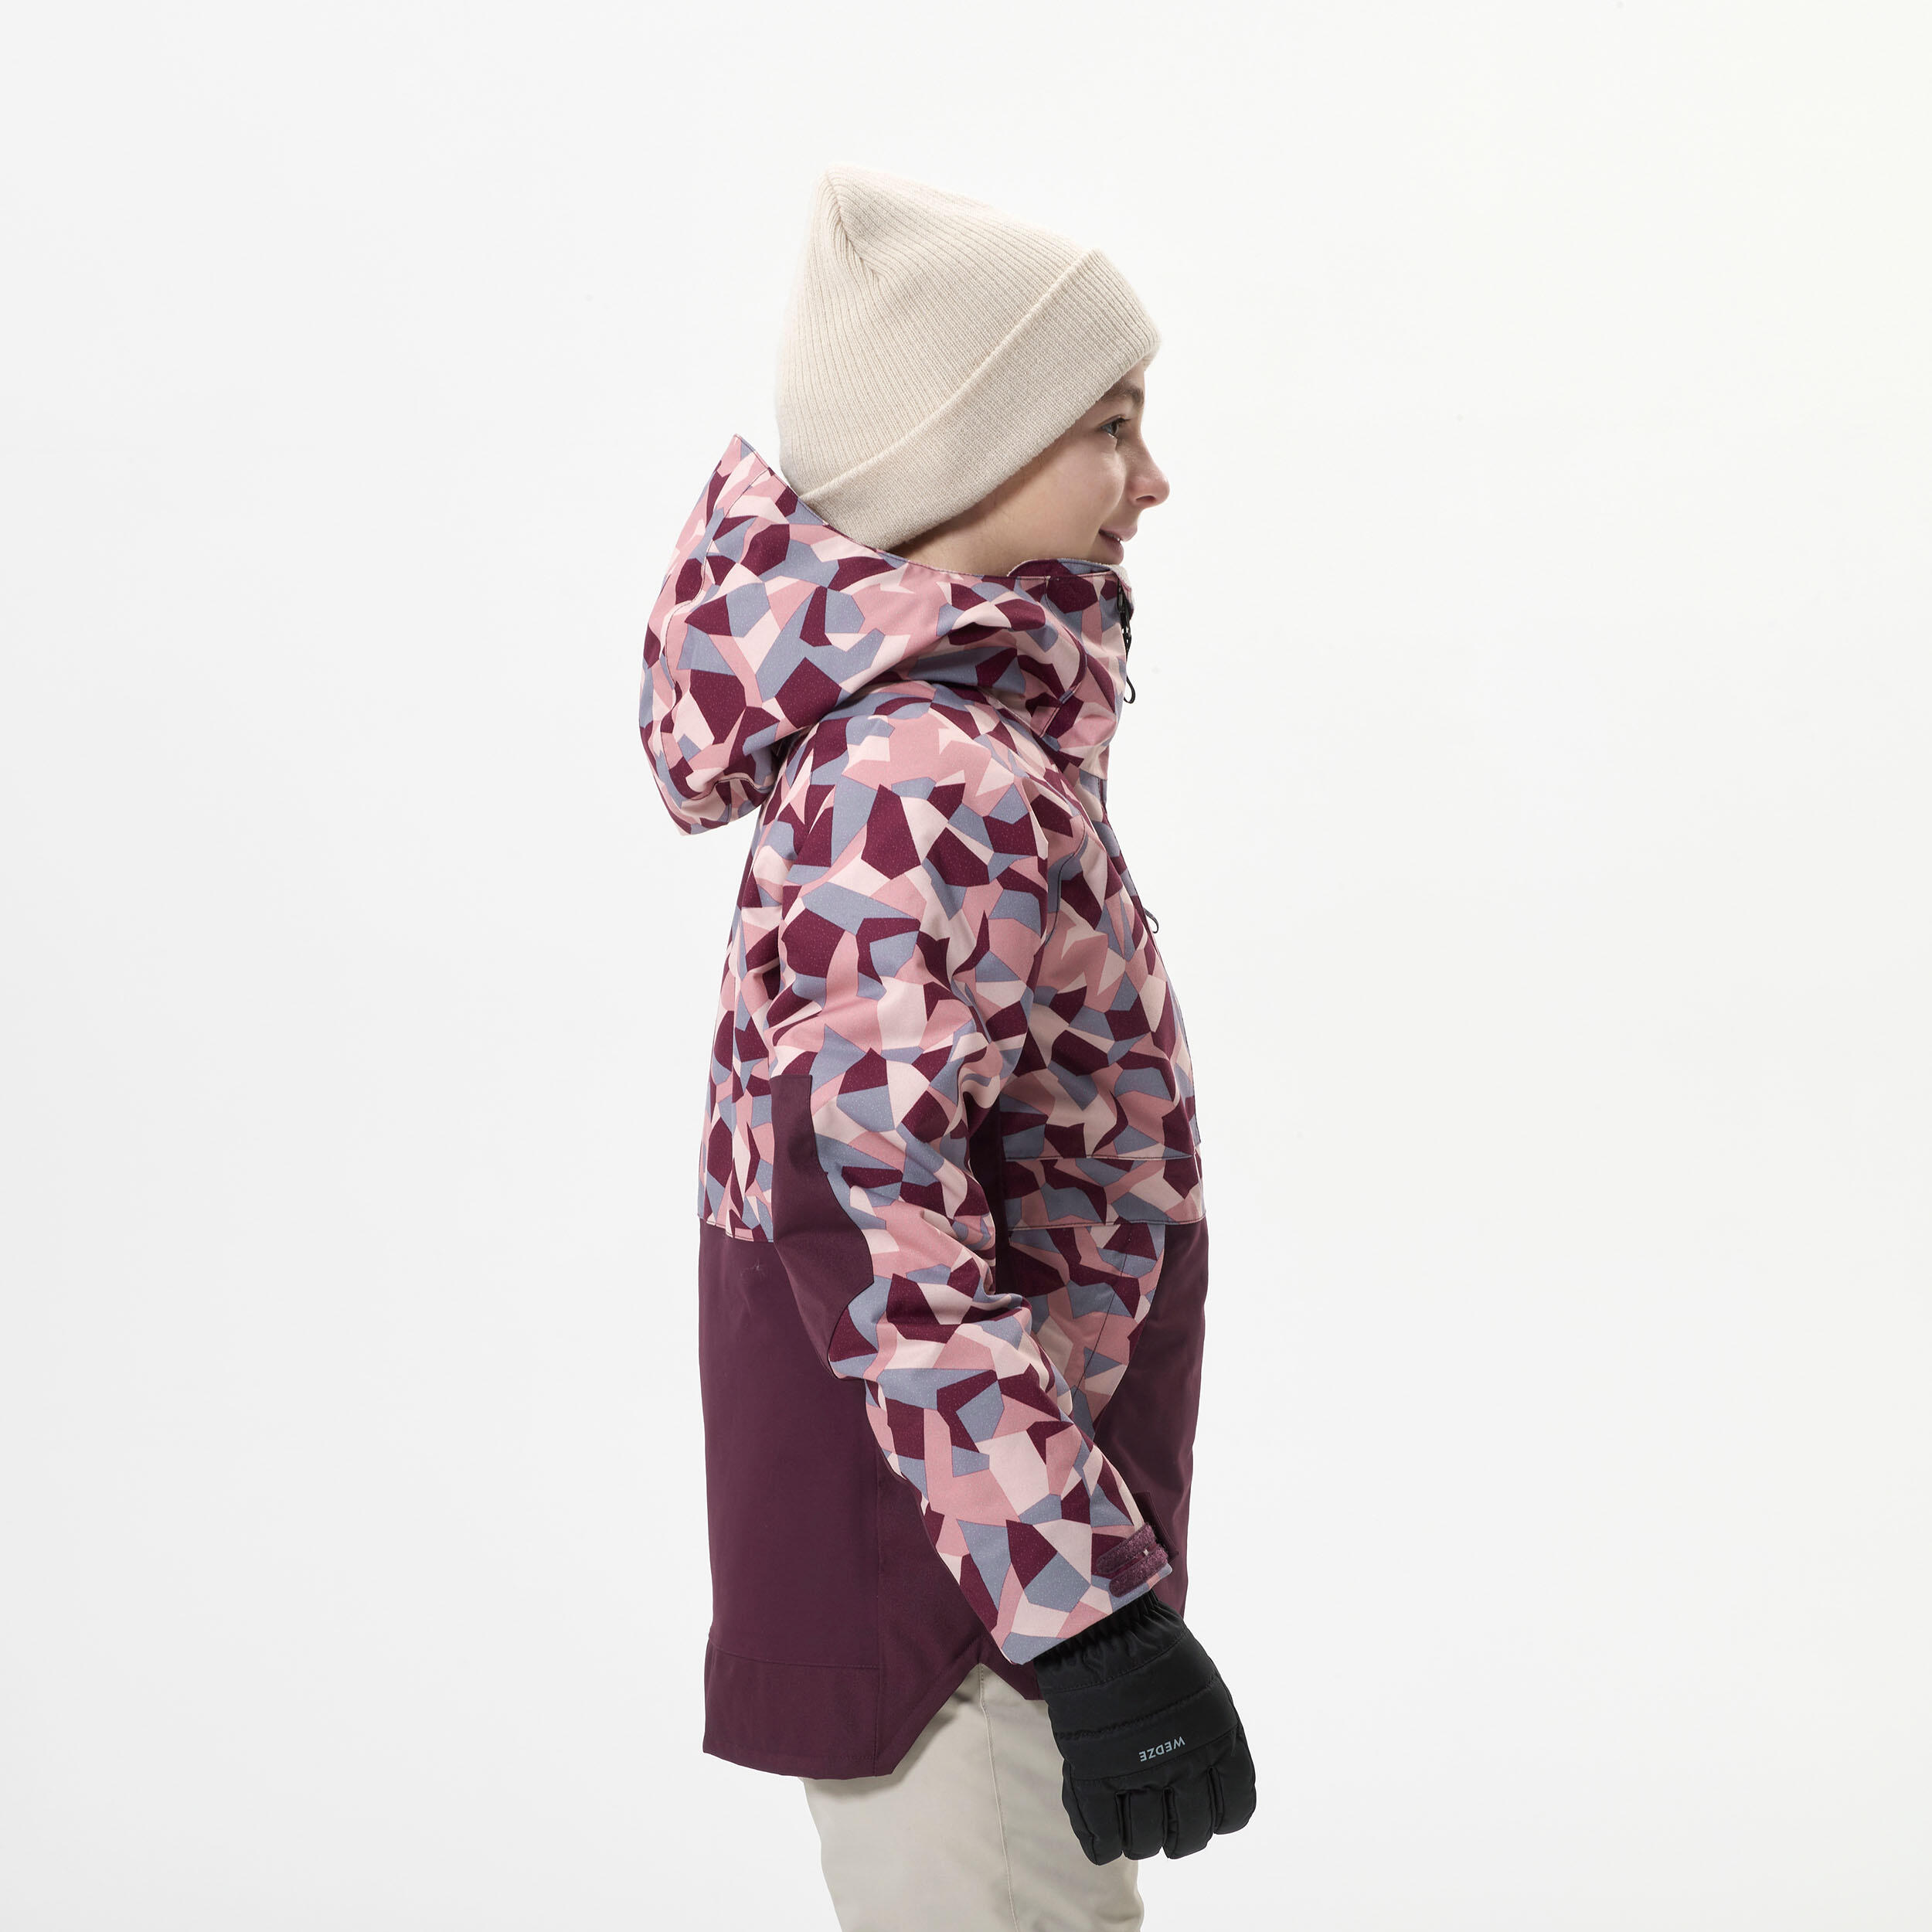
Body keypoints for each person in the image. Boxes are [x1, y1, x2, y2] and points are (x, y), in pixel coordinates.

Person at [640, 163, 1256, 1931]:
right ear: (964, 447)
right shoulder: (917, 776)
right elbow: (867, 1216)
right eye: (1110, 427)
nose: (1151, 479)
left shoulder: (958, 747)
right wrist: (1084, 1609)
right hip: (959, 1606)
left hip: (982, 1571)